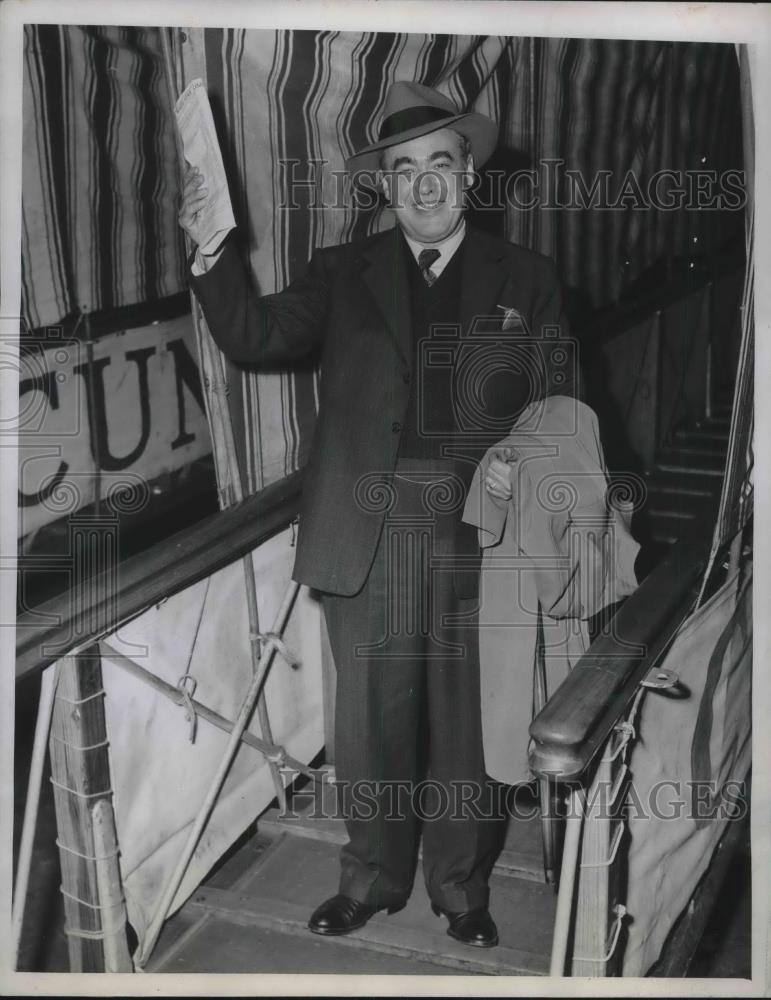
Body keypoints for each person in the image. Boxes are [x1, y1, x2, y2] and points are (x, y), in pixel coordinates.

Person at [179, 80, 578, 949]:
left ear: (469, 173)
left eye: (441, 163)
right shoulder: (339, 272)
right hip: (366, 534)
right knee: (370, 728)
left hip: (483, 537)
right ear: (385, 187)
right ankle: (370, 880)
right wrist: (211, 247)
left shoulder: (529, 279)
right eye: (404, 171)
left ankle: (462, 889)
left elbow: (562, 411)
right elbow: (253, 336)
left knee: (470, 727)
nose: (424, 185)